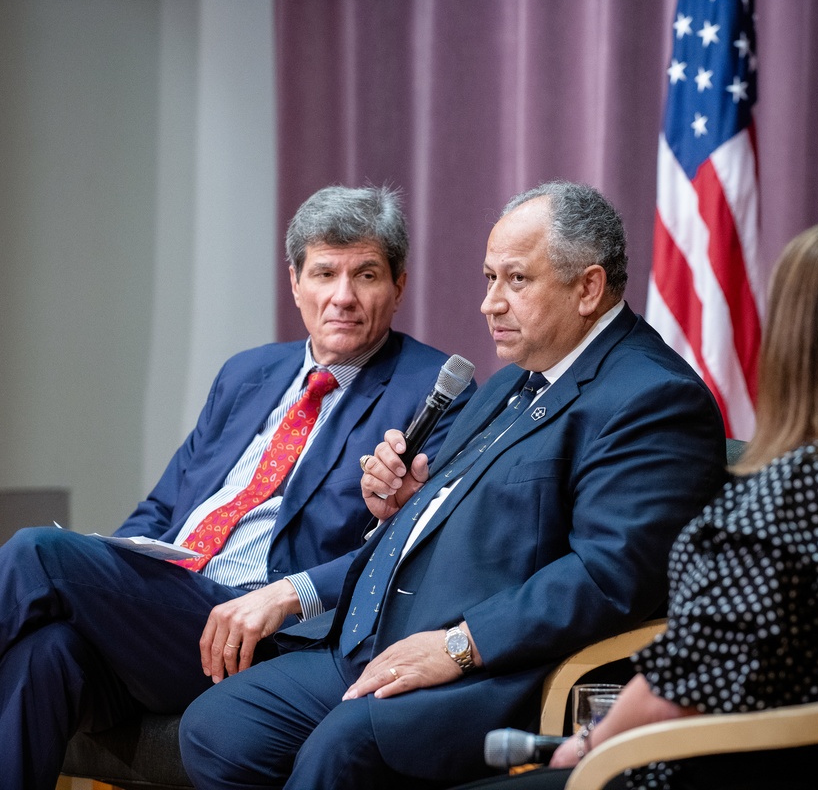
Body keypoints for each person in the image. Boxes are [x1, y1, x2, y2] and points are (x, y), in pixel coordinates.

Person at [178, 180, 728, 789]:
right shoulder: (510, 383)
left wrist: (458, 647)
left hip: (497, 667)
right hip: (377, 638)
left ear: (588, 289)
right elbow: (468, 511)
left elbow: (609, 578)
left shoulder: (652, 398)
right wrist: (403, 506)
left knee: (342, 750)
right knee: (218, 729)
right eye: (489, 279)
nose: (490, 303)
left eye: (515, 280)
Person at [0, 184, 472, 789]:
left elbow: (412, 546)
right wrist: (113, 575)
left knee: (37, 552)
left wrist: (288, 595)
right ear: (295, 282)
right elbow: (166, 505)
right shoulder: (247, 372)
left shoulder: (432, 393)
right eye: (324, 273)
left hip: (266, 626)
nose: (343, 297)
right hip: (171, 599)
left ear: (399, 285)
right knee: (48, 655)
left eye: (367, 275)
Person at [481, 221, 818, 790]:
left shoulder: (793, 491)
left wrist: (586, 745)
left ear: (791, 341)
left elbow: (681, 688)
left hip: (722, 767)